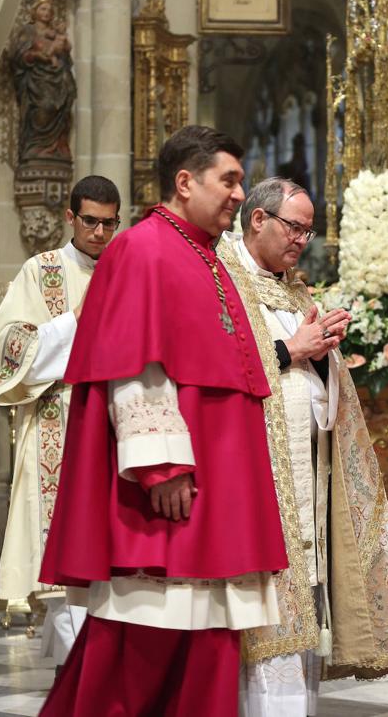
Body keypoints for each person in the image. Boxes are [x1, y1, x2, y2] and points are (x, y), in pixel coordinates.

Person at [38, 126, 287, 716]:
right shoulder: (143, 247)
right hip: (170, 499)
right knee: (141, 648)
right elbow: (134, 362)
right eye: (228, 180)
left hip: (213, 496)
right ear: (185, 181)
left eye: (241, 182)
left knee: (208, 644)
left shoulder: (204, 254)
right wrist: (160, 467)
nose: (239, 195)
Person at [218, 177, 388, 717]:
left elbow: (307, 379)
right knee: (257, 630)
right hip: (249, 484)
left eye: (309, 231)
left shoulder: (294, 287)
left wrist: (324, 353)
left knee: (301, 622)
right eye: (295, 227)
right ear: (258, 219)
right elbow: (211, 371)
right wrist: (291, 349)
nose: (302, 241)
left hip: (306, 481)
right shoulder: (218, 280)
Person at [0, 175, 121, 667]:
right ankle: (78, 667)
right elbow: (7, 346)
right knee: (66, 557)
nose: (100, 233)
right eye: (91, 221)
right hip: (59, 417)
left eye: (110, 223)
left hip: (116, 419)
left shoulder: (130, 269)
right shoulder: (40, 270)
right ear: (71, 218)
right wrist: (74, 321)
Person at [11, 0, 76, 163]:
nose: (46, 13)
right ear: (34, 12)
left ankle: (57, 147)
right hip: (37, 81)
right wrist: (38, 56)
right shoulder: (28, 31)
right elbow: (18, 55)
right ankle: (35, 147)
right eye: (42, 9)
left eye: (49, 10)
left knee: (63, 107)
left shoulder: (55, 32)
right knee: (44, 107)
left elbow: (66, 53)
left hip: (58, 77)